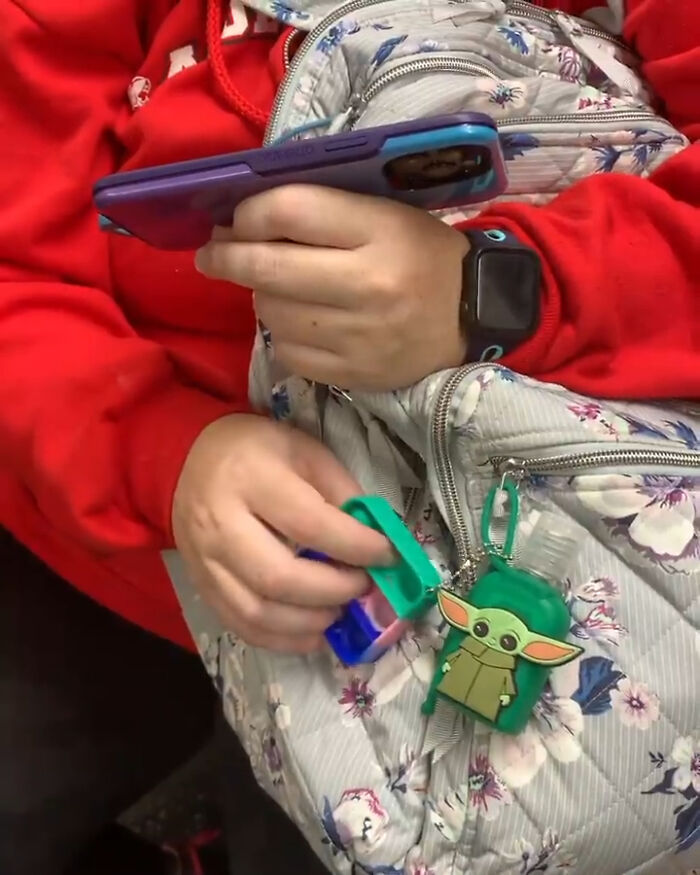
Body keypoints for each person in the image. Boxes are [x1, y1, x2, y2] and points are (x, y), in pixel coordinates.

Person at [0, 0, 697, 872]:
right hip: (114, 536)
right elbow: (16, 265)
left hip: (508, 554)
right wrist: (159, 452)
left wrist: (498, 287)